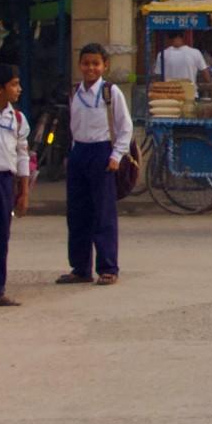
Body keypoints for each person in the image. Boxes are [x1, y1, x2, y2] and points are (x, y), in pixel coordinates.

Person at [61, 42, 131, 287]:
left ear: (104, 66)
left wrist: (116, 156)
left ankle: (108, 267)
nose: (90, 68)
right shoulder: (74, 93)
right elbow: (71, 127)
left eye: (95, 63)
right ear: (79, 65)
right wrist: (71, 155)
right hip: (79, 152)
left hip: (102, 153)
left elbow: (125, 127)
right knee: (77, 213)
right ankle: (80, 268)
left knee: (103, 213)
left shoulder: (111, 93)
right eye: (86, 63)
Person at [0, 63, 30, 306]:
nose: (19, 89)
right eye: (14, 85)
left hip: (5, 181)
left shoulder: (16, 118)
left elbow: (22, 153)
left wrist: (23, 190)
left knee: (0, 235)